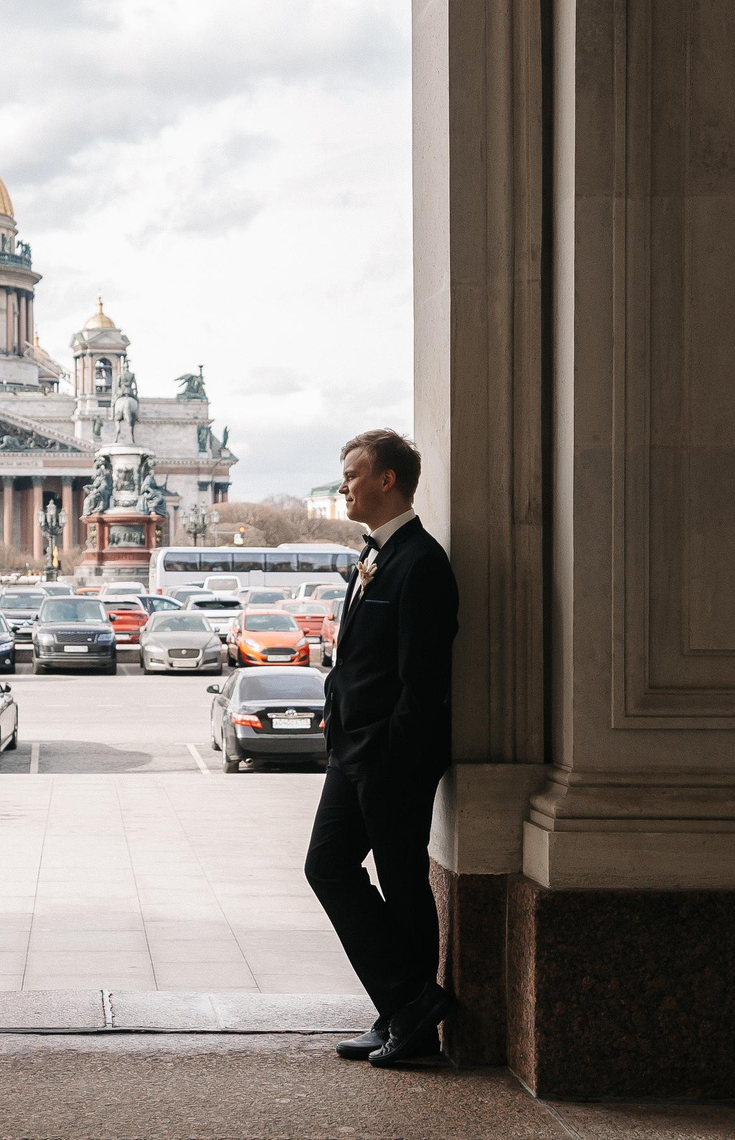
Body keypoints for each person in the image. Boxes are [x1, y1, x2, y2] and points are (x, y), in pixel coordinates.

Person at [305, 428, 459, 1068]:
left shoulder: (422, 564)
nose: (344, 484)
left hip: (389, 761)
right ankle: (406, 1005)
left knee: (402, 886)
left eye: (352, 473)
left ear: (387, 479)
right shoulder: (374, 558)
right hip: (353, 753)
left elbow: (421, 684)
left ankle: (411, 1022)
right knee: (328, 867)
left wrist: (389, 759)